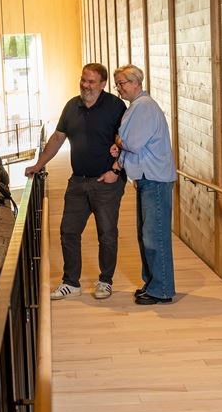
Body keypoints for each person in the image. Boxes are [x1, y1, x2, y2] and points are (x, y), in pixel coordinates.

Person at [26, 63, 126, 300]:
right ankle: (71, 282)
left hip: (107, 182)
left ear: (102, 84)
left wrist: (116, 170)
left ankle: (105, 280)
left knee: (107, 234)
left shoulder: (115, 106)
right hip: (77, 182)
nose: (85, 85)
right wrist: (39, 165)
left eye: (91, 82)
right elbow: (58, 138)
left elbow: (126, 140)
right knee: (68, 231)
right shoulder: (72, 106)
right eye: (83, 80)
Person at [111, 65, 177, 305]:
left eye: (122, 83)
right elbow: (131, 143)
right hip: (147, 177)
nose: (119, 88)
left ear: (136, 82)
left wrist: (119, 140)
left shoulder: (144, 107)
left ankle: (161, 290)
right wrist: (121, 148)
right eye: (117, 84)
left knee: (154, 235)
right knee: (146, 234)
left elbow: (134, 142)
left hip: (155, 179)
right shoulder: (138, 106)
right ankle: (152, 283)